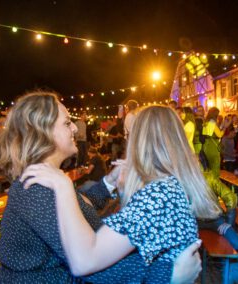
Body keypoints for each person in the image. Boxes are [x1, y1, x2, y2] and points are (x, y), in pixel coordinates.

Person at [0, 92, 202, 284]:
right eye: (67, 123)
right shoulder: (37, 187)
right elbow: (93, 265)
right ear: (43, 131)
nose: (75, 127)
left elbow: (77, 208)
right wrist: (167, 274)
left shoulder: (51, 179)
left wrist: (108, 184)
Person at [21, 103, 220, 279]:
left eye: (128, 134)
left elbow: (85, 261)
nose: (127, 142)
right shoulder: (168, 187)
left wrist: (64, 187)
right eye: (67, 123)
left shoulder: (158, 194)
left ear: (141, 140)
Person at [199, 171, 238, 251]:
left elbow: (230, 197)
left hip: (212, 219)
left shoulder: (208, 177)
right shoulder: (208, 177)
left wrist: (229, 222)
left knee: (236, 244)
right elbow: (230, 196)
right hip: (203, 221)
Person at [202, 107, 231, 177]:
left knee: (209, 168)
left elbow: (210, 133)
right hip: (213, 148)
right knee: (215, 168)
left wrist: (221, 126)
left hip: (206, 147)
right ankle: (215, 185)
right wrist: (225, 127)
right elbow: (219, 135)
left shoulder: (205, 122)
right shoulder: (212, 123)